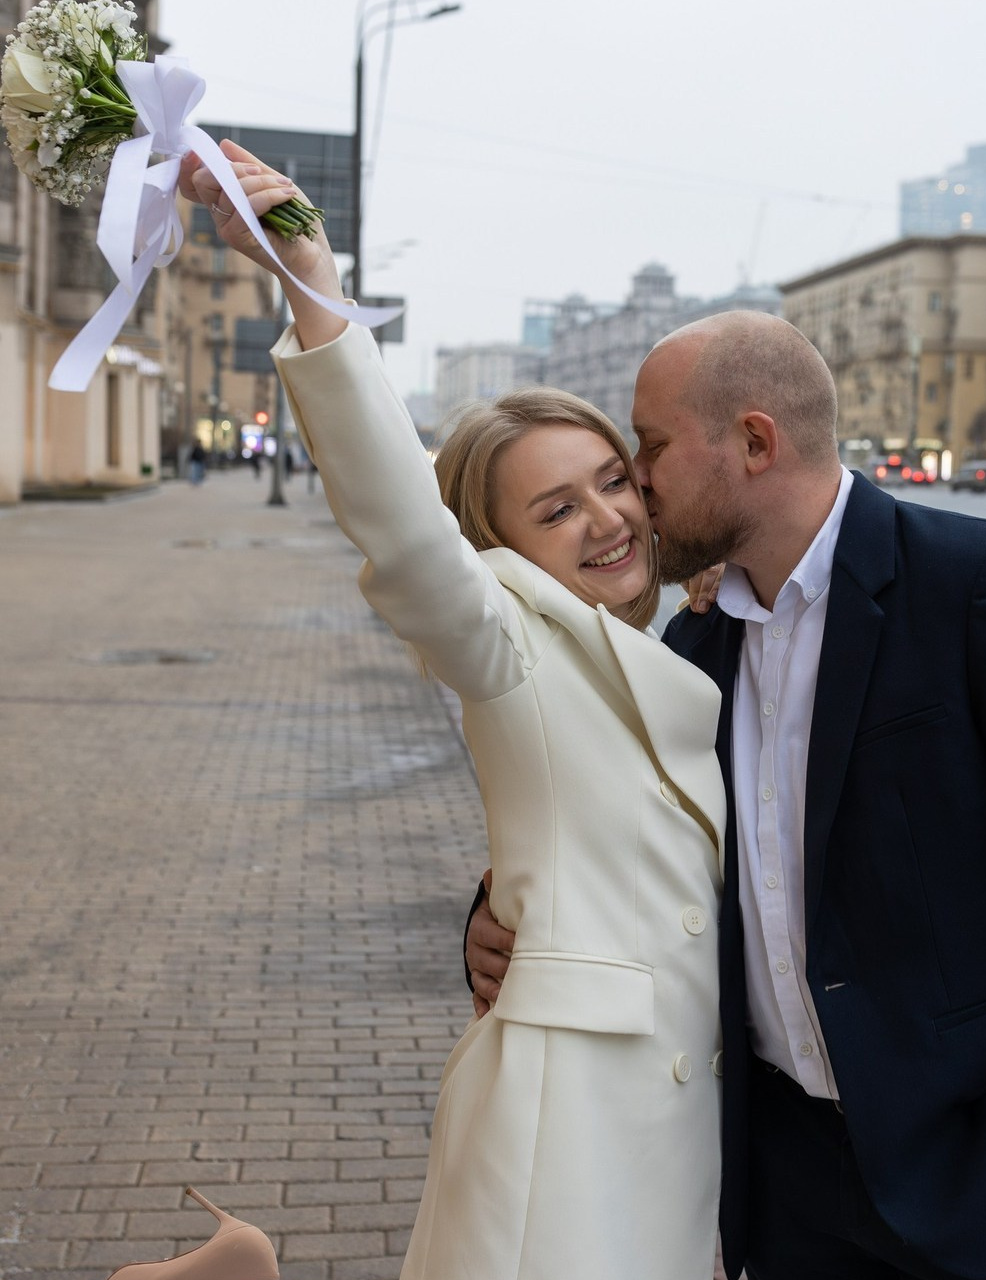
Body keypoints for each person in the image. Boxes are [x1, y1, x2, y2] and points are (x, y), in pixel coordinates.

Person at [467, 309, 986, 1280]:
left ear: (753, 443)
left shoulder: (975, 587)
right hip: (790, 1191)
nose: (636, 481)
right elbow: (623, 839)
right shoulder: (693, 653)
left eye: (649, 445)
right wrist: (493, 911)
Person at [179, 140, 726, 1280]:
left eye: (612, 481)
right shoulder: (503, 640)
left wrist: (497, 897)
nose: (605, 519)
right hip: (564, 1131)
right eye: (554, 508)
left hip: (667, 1132)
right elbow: (400, 523)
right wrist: (308, 277)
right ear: (498, 550)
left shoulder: (672, 644)